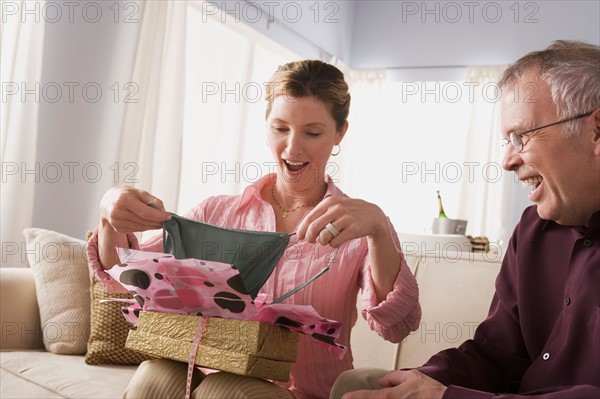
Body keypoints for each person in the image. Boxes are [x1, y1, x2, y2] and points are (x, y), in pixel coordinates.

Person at [87, 60, 422, 399]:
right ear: (266, 126)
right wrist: (108, 214)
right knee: (154, 375)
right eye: (280, 128)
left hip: (299, 394)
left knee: (228, 390)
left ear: (340, 133)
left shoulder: (360, 227)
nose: (293, 148)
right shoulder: (215, 212)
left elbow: (396, 326)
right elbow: (119, 276)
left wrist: (378, 229)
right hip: (202, 380)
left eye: (313, 132)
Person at [331, 40, 600, 399]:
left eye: (521, 136)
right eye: (506, 141)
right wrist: (420, 382)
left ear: (596, 129)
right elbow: (495, 355)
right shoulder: (534, 231)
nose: (507, 161)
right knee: (358, 385)